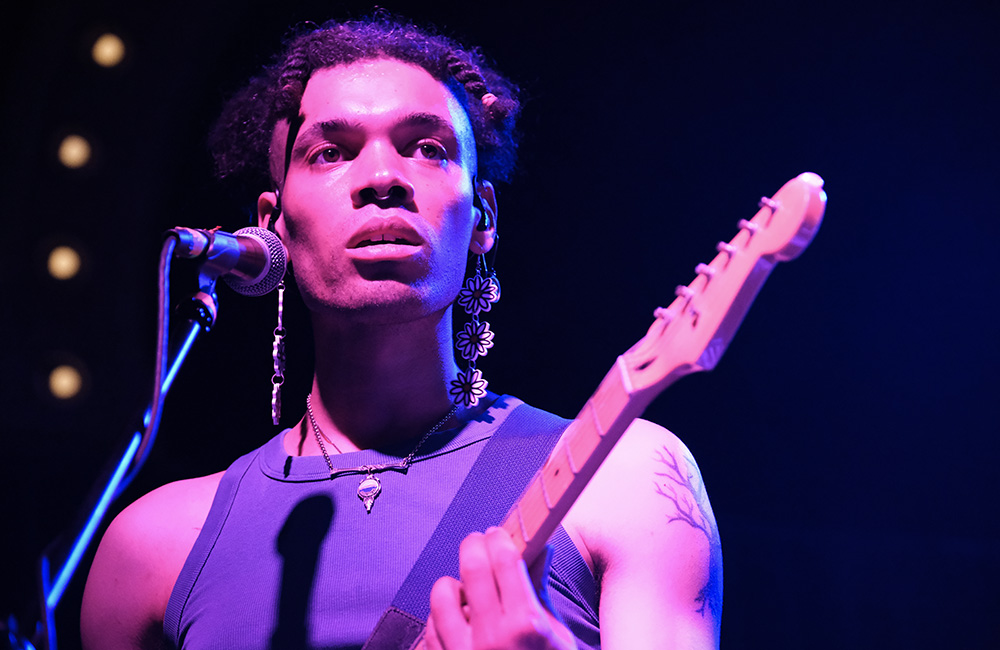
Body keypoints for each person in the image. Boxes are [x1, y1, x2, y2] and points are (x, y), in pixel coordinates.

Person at [81, 14, 722, 650]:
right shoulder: (150, 549)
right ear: (273, 224)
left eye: (428, 148)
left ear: (483, 216)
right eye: (331, 153)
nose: (382, 178)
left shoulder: (620, 476)